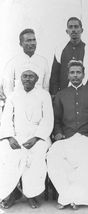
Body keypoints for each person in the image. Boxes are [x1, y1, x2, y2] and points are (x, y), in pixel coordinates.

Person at [47, 60, 88, 210]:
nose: (75, 75)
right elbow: (57, 120)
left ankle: (75, 198)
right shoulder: (61, 95)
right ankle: (67, 194)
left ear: (83, 74)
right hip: (66, 137)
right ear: (68, 75)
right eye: (72, 72)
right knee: (53, 155)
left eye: (78, 72)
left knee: (87, 158)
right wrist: (58, 133)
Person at [0, 67, 53, 209]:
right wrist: (10, 138)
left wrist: (36, 138)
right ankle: (11, 193)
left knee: (36, 154)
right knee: (7, 153)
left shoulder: (44, 95)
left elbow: (48, 119)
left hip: (38, 137)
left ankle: (32, 194)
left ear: (36, 79)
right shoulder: (12, 95)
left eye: (31, 76)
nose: (28, 79)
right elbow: (6, 120)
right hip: (16, 136)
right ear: (20, 79)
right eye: (25, 76)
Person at [49, 17, 88, 96]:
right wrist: (55, 96)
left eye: (76, 27)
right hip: (64, 96)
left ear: (81, 30)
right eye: (70, 27)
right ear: (67, 31)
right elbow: (54, 77)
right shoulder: (60, 50)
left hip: (85, 96)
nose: (73, 30)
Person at [1, 28, 50, 100]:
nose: (32, 43)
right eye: (28, 40)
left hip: (38, 103)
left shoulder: (43, 62)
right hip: (19, 103)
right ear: (21, 44)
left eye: (34, 40)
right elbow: (8, 88)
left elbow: (46, 87)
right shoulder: (13, 63)